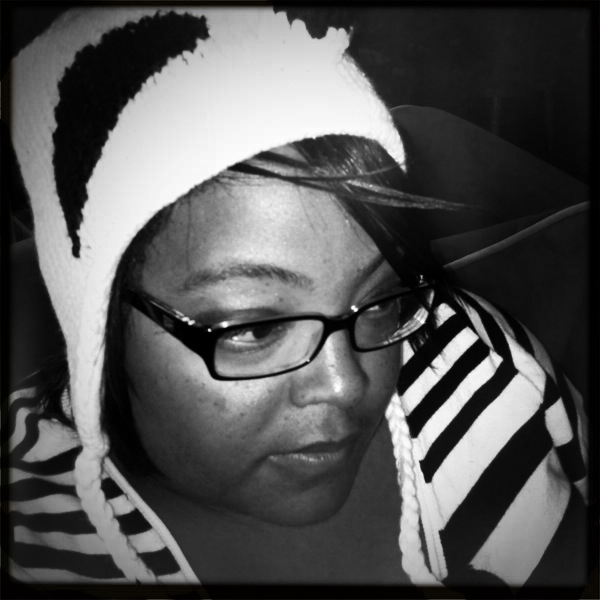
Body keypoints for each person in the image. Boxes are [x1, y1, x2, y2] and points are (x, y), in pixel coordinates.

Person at [6, 5, 589, 596]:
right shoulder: (32, 541)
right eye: (255, 330)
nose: (346, 385)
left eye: (380, 300)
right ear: (97, 322)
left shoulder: (483, 364)